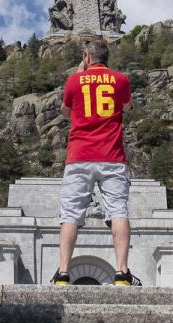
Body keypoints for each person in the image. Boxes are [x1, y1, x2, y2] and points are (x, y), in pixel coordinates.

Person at [52, 38, 141, 286]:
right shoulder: (121, 79)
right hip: (112, 156)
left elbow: (66, 111)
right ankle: (122, 272)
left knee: (70, 215)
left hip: (80, 156)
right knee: (118, 211)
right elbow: (127, 105)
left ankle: (63, 272)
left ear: (87, 57)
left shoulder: (73, 81)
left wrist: (81, 73)